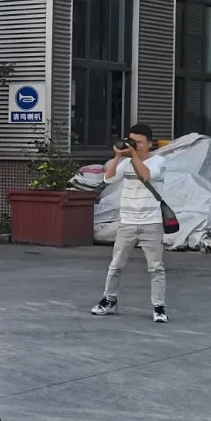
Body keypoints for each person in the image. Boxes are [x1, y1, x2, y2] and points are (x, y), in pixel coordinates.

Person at [91, 122, 168, 323]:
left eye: (139, 142)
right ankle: (109, 300)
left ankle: (158, 307)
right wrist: (118, 155)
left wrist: (133, 155)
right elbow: (108, 179)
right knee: (115, 265)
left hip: (151, 222)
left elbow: (146, 175)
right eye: (132, 141)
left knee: (156, 267)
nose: (135, 145)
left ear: (149, 144)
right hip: (127, 221)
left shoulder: (159, 161)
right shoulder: (125, 163)